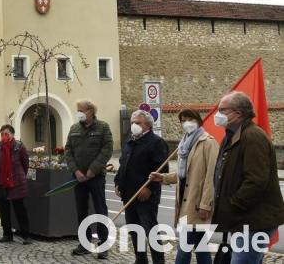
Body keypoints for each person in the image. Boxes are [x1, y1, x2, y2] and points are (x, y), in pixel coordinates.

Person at [211, 91, 284, 263]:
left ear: (238, 113)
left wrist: (234, 204)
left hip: (253, 221)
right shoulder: (231, 137)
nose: (217, 114)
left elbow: (256, 180)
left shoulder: (252, 136)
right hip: (244, 220)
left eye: (222, 110)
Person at [149, 109, 218, 264]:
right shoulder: (184, 144)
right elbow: (183, 174)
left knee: (185, 246)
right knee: (201, 247)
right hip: (184, 202)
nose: (186, 123)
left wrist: (206, 205)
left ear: (199, 121)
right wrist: (164, 177)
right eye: (183, 120)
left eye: (190, 119)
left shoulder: (208, 143)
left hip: (197, 203)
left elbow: (212, 177)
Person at [115, 110, 168, 264]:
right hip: (128, 193)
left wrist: (149, 188)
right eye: (132, 122)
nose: (134, 125)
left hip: (146, 194)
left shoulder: (156, 142)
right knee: (134, 228)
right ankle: (141, 259)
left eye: (137, 123)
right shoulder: (130, 141)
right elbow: (123, 164)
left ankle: (159, 261)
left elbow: (161, 170)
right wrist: (119, 182)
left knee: (150, 229)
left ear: (148, 125)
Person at [65, 100, 113, 259]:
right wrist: (76, 171)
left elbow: (106, 150)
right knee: (81, 210)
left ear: (91, 111)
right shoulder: (74, 128)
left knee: (100, 209)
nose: (78, 112)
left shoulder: (103, 127)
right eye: (77, 110)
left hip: (96, 177)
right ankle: (84, 243)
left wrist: (93, 170)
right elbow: (68, 151)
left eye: (81, 110)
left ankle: (103, 244)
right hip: (78, 178)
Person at [0, 125, 32, 245]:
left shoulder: (19, 147)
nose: (4, 136)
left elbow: (25, 164)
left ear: (12, 134)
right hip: (1, 182)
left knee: (20, 210)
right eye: (2, 133)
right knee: (4, 210)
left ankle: (26, 235)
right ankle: (7, 234)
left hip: (16, 182)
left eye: (6, 133)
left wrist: (18, 176)